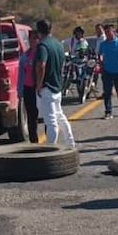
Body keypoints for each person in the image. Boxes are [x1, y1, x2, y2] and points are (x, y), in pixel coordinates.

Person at [34, 19, 76, 149]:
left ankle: (51, 148)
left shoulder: (43, 46)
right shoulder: (58, 44)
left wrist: (39, 84)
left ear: (38, 31)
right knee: (60, 116)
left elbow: (41, 65)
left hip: (47, 87)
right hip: (57, 85)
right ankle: (70, 141)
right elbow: (63, 63)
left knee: (50, 121)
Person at [98, 24, 118, 119]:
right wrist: (101, 63)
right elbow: (100, 55)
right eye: (105, 32)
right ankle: (108, 112)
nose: (107, 34)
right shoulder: (103, 44)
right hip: (107, 71)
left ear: (114, 32)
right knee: (107, 92)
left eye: (109, 32)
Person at [18, 29, 41, 143]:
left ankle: (51, 141)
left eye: (37, 38)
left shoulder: (42, 53)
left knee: (46, 116)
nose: (34, 40)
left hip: (40, 88)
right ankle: (34, 141)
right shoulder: (25, 55)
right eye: (32, 38)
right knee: (31, 117)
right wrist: (20, 90)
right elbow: (21, 74)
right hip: (28, 88)